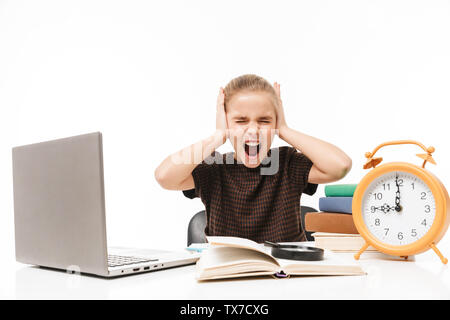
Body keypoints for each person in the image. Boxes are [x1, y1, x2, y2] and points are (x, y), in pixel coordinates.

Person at [155, 74, 352, 242]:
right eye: (240, 121)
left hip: (286, 278)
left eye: (264, 120)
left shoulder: (287, 163)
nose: (253, 130)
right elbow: (165, 177)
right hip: (228, 278)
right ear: (226, 122)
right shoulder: (214, 167)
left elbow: (340, 166)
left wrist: (284, 130)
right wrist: (218, 136)